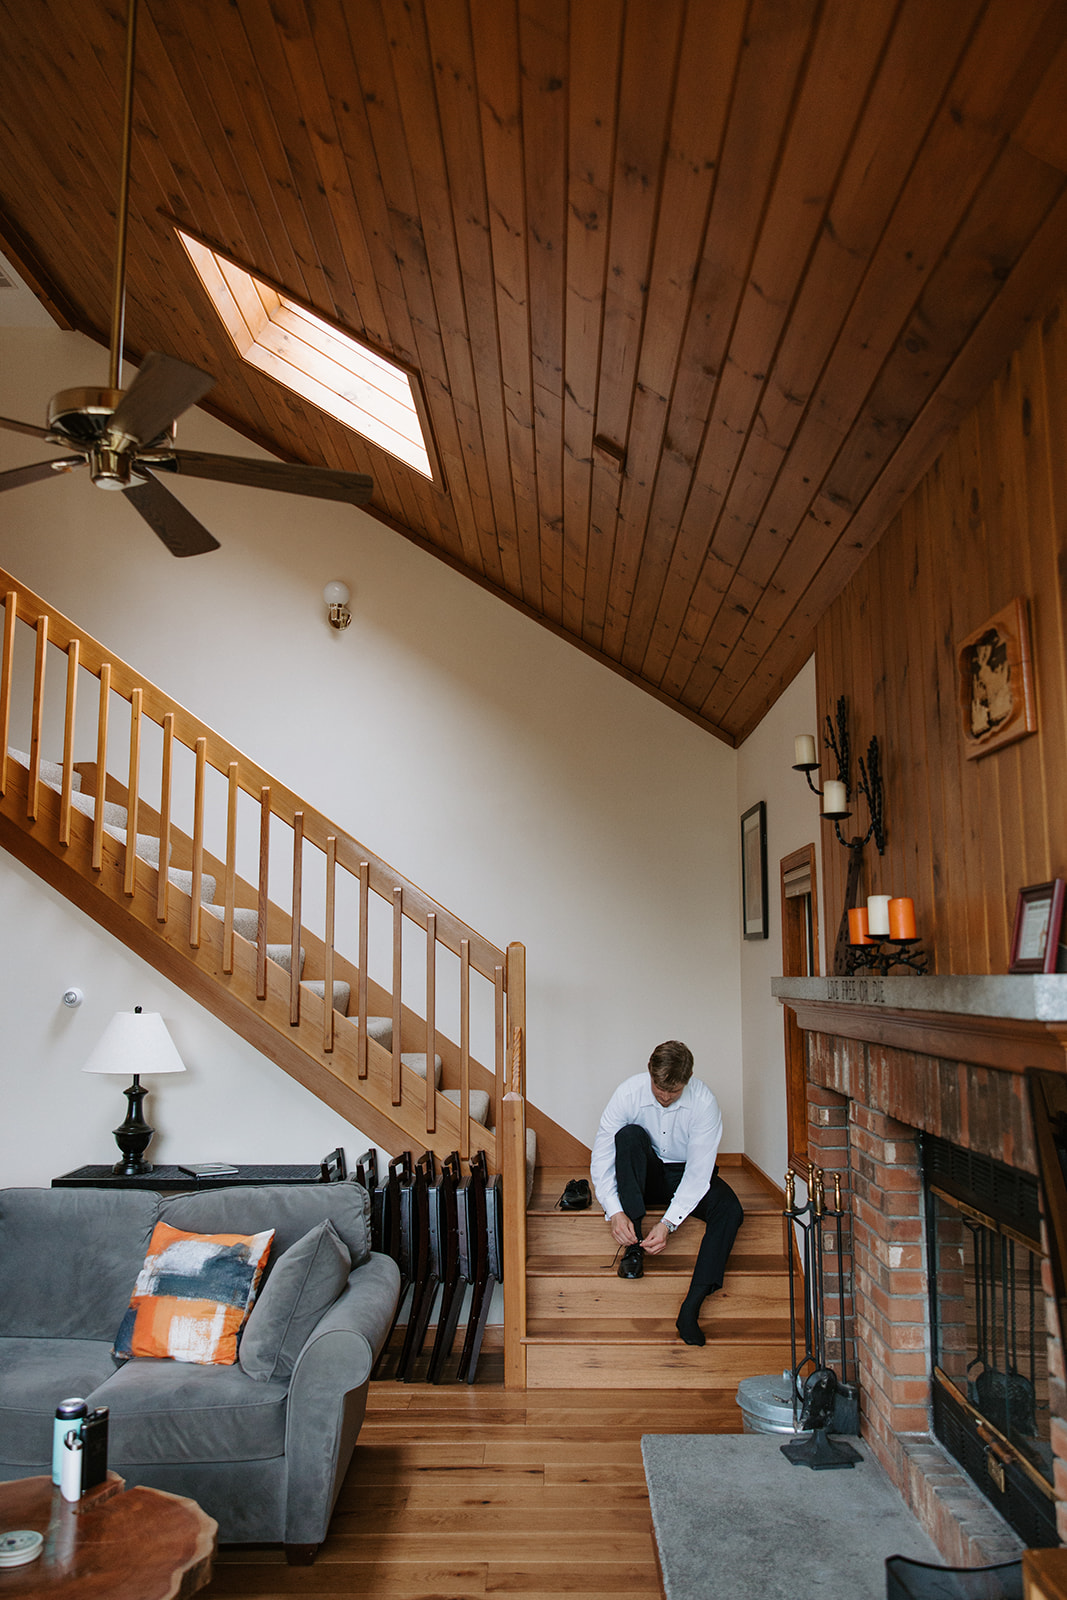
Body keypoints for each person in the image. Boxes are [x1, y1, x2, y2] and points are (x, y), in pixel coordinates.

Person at [590, 1039, 743, 1347]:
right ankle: (633, 1248)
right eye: (659, 1088)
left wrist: (669, 1223)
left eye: (673, 1091)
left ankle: (691, 1307)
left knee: (731, 1210)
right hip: (642, 1176)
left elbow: (699, 1172)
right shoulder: (628, 1093)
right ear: (650, 1074)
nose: (664, 1096)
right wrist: (614, 1211)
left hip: (684, 1175)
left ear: (687, 1081)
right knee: (629, 1136)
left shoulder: (704, 1101)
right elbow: (603, 1155)